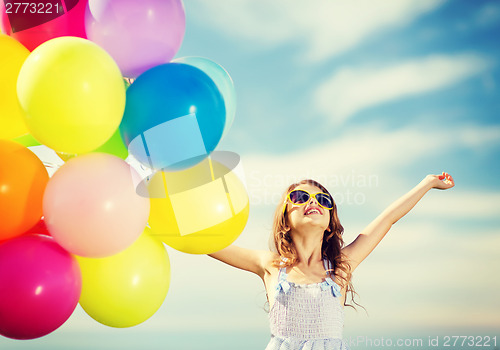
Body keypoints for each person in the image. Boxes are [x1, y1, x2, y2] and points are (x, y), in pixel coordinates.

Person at [208, 172, 455, 350]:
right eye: (300, 196)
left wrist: (428, 183)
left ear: (329, 225)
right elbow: (208, 244)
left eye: (323, 200)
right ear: (284, 219)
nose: (312, 202)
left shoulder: (341, 266)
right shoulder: (272, 265)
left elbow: (388, 218)